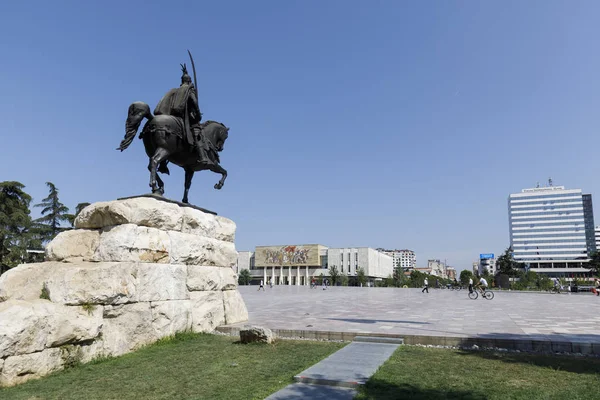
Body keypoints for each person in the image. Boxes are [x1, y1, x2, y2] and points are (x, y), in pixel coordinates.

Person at [154, 64, 212, 167]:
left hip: (173, 115)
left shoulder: (175, 90)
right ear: (189, 81)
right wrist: (198, 113)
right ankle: (203, 157)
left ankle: (163, 164)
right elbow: (194, 102)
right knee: (197, 132)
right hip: (185, 118)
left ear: (182, 82)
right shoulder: (189, 90)